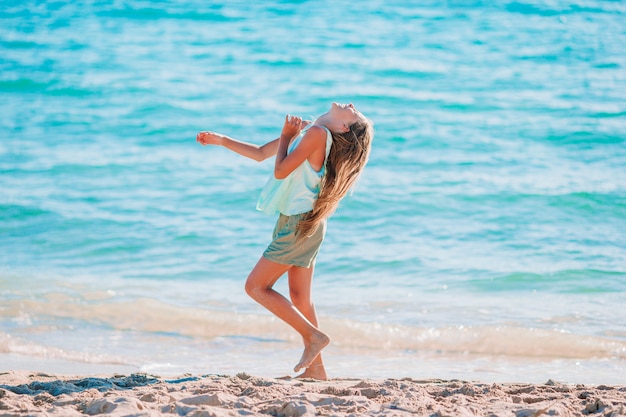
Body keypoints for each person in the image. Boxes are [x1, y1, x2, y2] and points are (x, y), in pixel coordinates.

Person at [196, 102, 373, 380]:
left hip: (298, 224)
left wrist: (287, 136)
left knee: (255, 286)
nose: (350, 105)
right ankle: (316, 371)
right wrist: (222, 141)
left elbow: (280, 171)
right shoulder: (313, 133)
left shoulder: (315, 133)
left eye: (354, 111)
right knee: (301, 297)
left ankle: (313, 336)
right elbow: (259, 154)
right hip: (307, 222)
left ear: (344, 127)